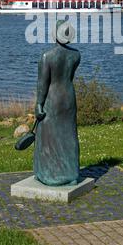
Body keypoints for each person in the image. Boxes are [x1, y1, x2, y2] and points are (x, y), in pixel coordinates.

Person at [34, 20, 81, 186]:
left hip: (52, 99)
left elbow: (42, 84)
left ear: (54, 34)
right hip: (68, 96)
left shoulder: (47, 57)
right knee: (68, 135)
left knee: (48, 136)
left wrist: (39, 104)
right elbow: (69, 76)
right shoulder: (76, 55)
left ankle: (46, 174)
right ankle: (72, 174)